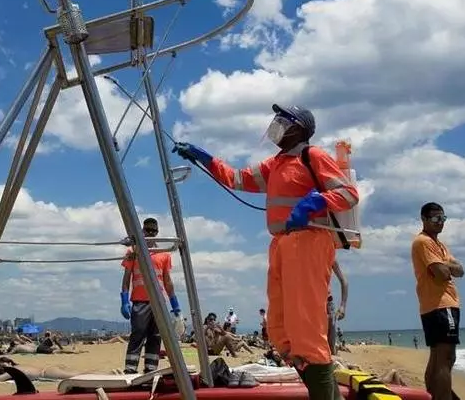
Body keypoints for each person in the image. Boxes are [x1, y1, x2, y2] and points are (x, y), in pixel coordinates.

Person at [174, 103, 359, 400]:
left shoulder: (313, 156)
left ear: (298, 128)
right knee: (280, 329)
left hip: (309, 242)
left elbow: (348, 193)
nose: (275, 124)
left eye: (282, 120)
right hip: (282, 244)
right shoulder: (276, 163)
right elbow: (238, 178)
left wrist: (315, 203)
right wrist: (204, 158)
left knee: (307, 330)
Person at [411, 202, 464, 400]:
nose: (440, 222)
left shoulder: (439, 245)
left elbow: (461, 270)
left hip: (437, 306)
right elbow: (442, 274)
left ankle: (433, 395)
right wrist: (447, 265)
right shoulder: (424, 242)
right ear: (424, 219)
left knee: (437, 358)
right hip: (441, 305)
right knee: (446, 357)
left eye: (442, 218)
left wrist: (446, 265)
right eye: (435, 218)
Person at [119, 217, 181, 374]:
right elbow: (126, 278)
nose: (151, 234)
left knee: (156, 336)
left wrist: (174, 304)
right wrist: (124, 300)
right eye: (148, 230)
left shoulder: (164, 255)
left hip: (159, 302)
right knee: (138, 334)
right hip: (140, 301)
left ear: (157, 232)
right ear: (142, 231)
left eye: (154, 231)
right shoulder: (133, 252)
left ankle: (150, 369)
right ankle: (130, 369)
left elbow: (167, 281)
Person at [328, 259, 348, 355]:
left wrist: (342, 306)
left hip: (326, 303)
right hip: (309, 305)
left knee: (330, 346)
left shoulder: (329, 257)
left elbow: (344, 281)